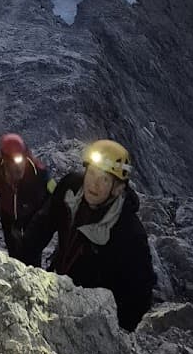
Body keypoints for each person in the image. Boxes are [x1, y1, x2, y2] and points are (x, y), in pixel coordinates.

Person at [20, 139, 155, 330]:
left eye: (104, 179)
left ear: (117, 188)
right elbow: (39, 230)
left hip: (93, 317)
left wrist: (112, 331)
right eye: (92, 173)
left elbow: (140, 293)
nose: (94, 184)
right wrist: (27, 278)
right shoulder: (70, 189)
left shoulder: (130, 233)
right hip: (58, 286)